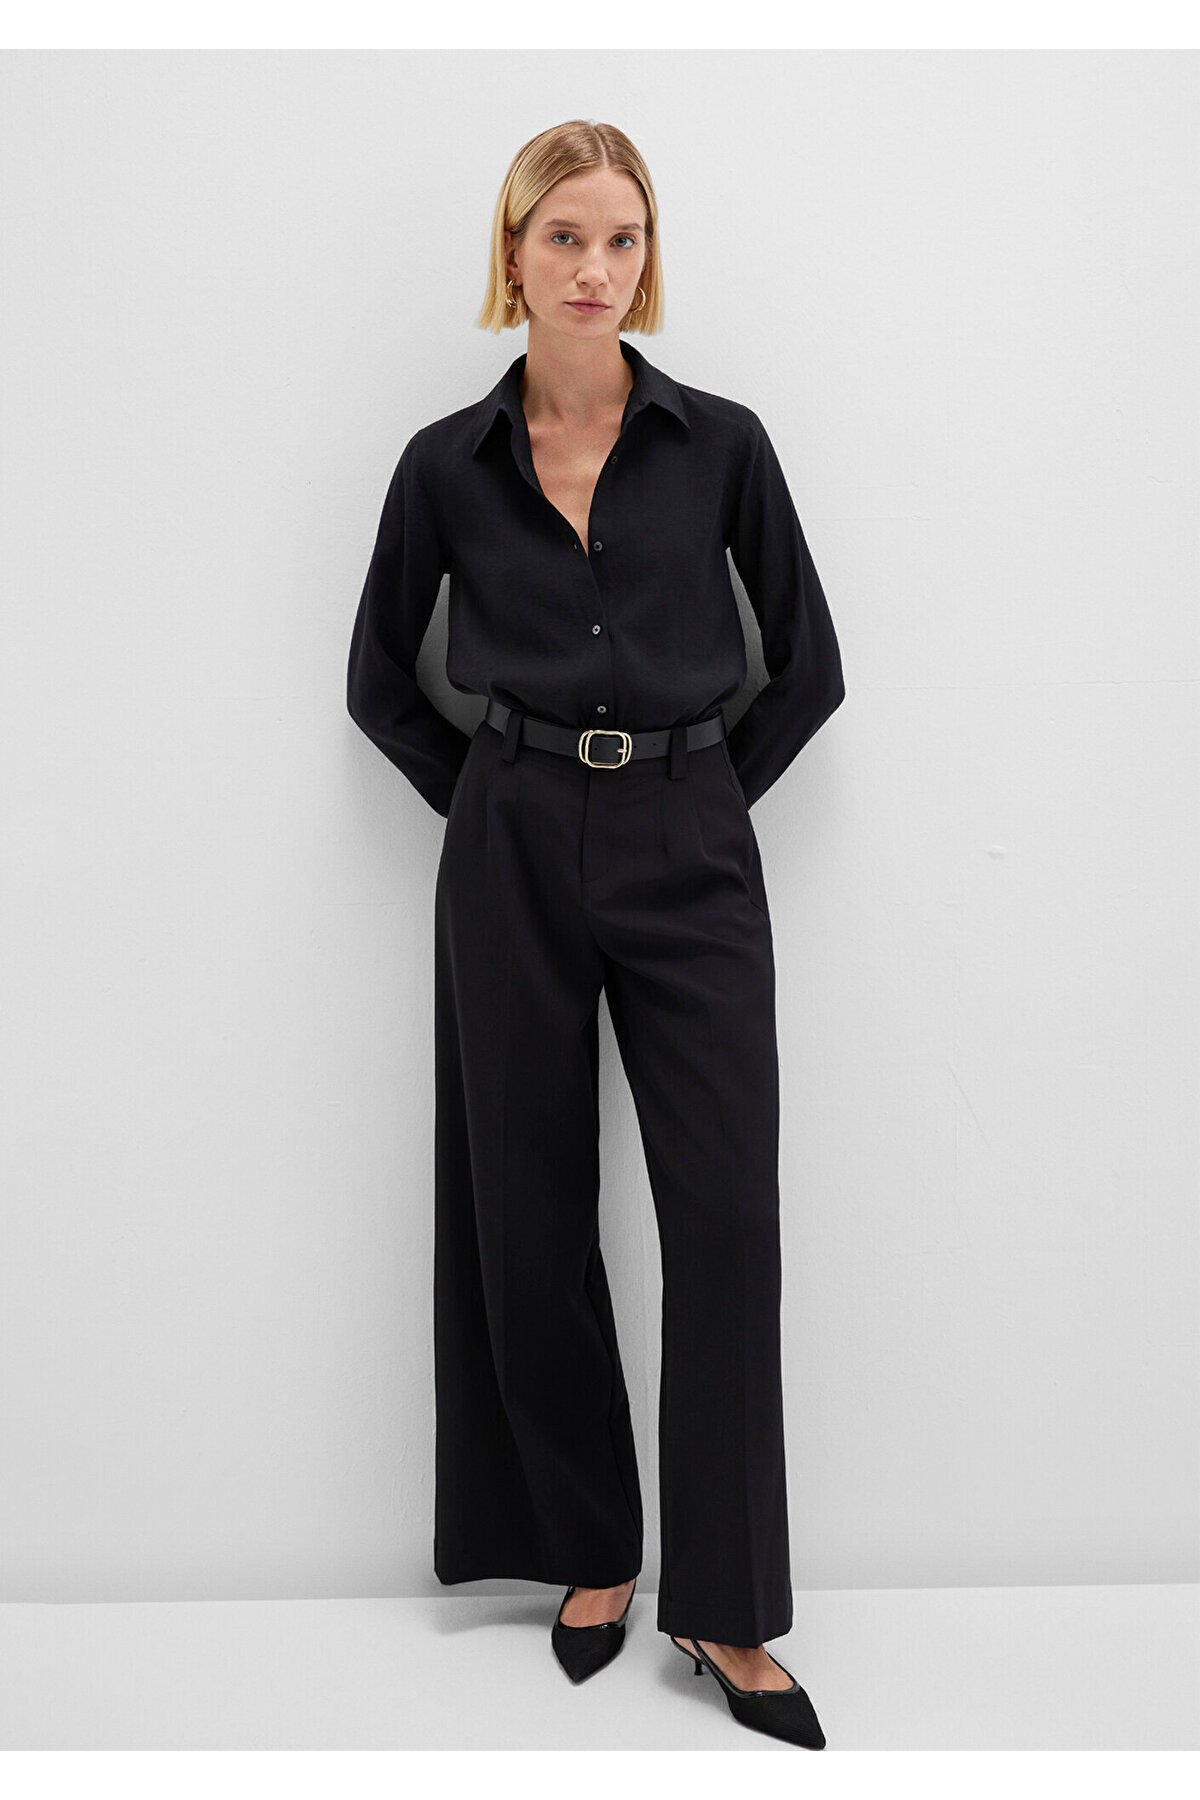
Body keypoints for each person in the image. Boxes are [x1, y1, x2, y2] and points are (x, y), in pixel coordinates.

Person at [346, 119, 844, 1750]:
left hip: (690, 844)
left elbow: (810, 667)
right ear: (513, 255)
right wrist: (497, 805)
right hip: (512, 843)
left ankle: (724, 1604)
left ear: (648, 255)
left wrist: (698, 801)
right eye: (563, 236)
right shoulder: (445, 465)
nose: (595, 268)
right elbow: (379, 682)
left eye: (621, 238)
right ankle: (592, 1550)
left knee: (727, 1218)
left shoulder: (723, 446)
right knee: (529, 1210)